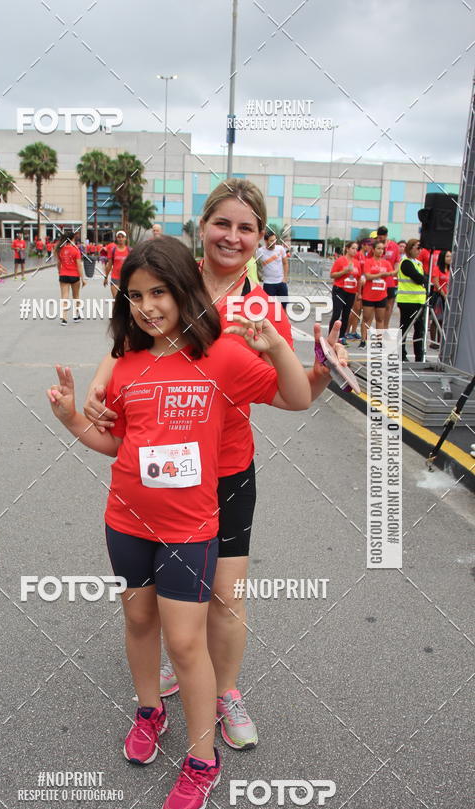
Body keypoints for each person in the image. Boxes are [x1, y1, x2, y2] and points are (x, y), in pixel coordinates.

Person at [47, 237, 312, 809]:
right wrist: (70, 419)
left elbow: (295, 398)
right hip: (125, 519)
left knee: (187, 643)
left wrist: (276, 348)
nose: (146, 306)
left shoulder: (221, 357)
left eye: (159, 291)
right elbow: (116, 443)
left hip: (191, 527)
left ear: (183, 290)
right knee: (138, 619)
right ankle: (149, 710)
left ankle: (202, 759)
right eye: (135, 295)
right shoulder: (129, 363)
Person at [83, 179, 348, 751]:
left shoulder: (260, 308)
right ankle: (184, 666)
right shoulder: (173, 275)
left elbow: (287, 392)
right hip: (157, 473)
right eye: (222, 224)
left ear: (261, 237)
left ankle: (225, 691)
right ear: (202, 227)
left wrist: (324, 368)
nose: (232, 236)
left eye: (246, 227)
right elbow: (128, 335)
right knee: (165, 602)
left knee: (225, 594)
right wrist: (100, 385)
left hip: (226, 471)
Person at [358, 240, 397, 349]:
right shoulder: (368, 261)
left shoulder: (386, 263)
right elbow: (367, 276)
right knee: (366, 318)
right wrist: (381, 274)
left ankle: (379, 340)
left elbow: (391, 273)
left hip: (381, 294)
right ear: (374, 249)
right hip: (369, 295)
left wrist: (392, 272)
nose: (381, 251)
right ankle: (363, 340)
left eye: (382, 249)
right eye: (378, 248)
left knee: (380, 319)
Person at [397, 238, 428, 362]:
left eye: (420, 248)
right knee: (405, 328)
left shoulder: (418, 263)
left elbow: (423, 278)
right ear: (410, 249)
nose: (419, 250)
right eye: (417, 248)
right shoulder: (406, 262)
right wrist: (424, 279)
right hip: (408, 301)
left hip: (419, 301)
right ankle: (401, 354)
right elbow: (419, 278)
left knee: (419, 330)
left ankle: (419, 357)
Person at [328, 241, 361, 343]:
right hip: (340, 289)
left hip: (351, 291)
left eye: (356, 249)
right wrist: (344, 271)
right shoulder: (340, 261)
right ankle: (331, 336)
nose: (355, 251)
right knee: (337, 313)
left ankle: (342, 336)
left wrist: (358, 292)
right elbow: (332, 275)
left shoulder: (357, 263)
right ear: (347, 249)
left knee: (346, 315)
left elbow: (359, 278)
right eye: (353, 248)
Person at [55, 231, 86, 325]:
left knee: (64, 297)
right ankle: (76, 316)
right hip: (74, 276)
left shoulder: (60, 249)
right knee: (76, 296)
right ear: (73, 239)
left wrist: (60, 272)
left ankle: (64, 319)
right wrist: (83, 279)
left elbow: (58, 264)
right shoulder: (76, 250)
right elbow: (79, 265)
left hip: (63, 275)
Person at [255, 232, 289, 307]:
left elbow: (285, 263)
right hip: (268, 284)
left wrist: (285, 278)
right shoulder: (260, 251)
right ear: (266, 241)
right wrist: (258, 277)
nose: (274, 242)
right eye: (271, 241)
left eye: (275, 240)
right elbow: (254, 264)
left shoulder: (280, 249)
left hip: (281, 282)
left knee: (284, 306)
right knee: (269, 307)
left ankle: (285, 318)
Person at [376, 226, 400, 329]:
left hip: (390, 280)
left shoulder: (394, 246)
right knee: (377, 305)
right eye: (378, 237)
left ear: (386, 235)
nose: (380, 239)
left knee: (389, 305)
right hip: (377, 279)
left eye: (382, 237)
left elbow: (397, 261)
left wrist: (394, 272)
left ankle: (385, 327)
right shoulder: (376, 246)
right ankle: (378, 328)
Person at [430, 249, 451, 348]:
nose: (449, 258)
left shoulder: (451, 269)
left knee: (443, 320)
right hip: (438, 295)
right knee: (436, 319)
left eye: (450, 256)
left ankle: (440, 341)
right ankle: (433, 342)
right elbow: (436, 282)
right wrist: (443, 294)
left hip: (447, 296)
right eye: (447, 256)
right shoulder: (437, 268)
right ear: (443, 258)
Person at [103, 230, 131, 298]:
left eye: (122, 237)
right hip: (115, 278)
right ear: (116, 238)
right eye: (119, 237)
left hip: (126, 279)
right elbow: (109, 265)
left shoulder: (129, 250)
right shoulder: (113, 250)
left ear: (125, 238)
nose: (120, 239)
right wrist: (106, 277)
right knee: (116, 300)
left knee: (125, 301)